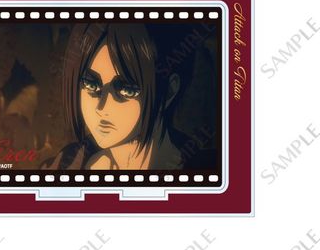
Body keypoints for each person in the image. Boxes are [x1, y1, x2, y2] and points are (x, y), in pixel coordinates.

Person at [41, 22, 216, 171]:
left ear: (169, 91)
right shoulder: (66, 163)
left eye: (127, 90)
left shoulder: (210, 170)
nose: (101, 107)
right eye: (91, 85)